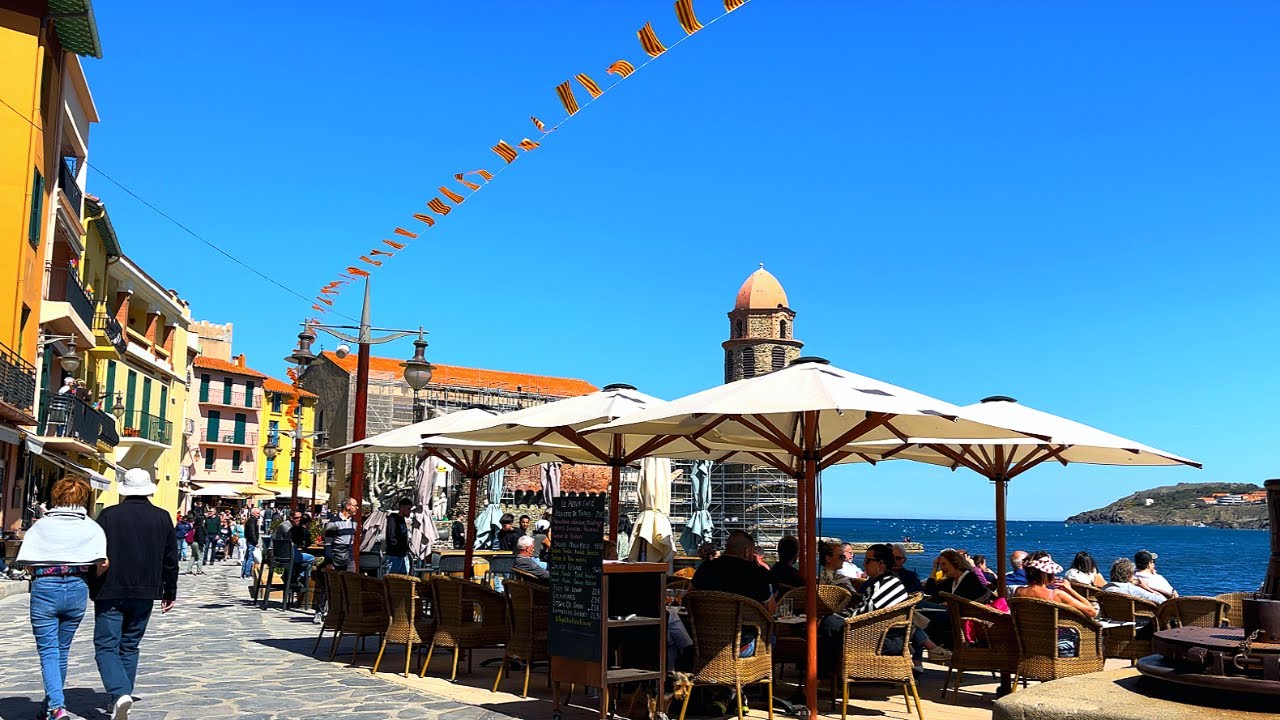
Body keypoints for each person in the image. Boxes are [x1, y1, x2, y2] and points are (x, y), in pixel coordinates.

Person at [15, 476, 108, 720]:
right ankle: (50, 705)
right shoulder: (91, 527)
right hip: (77, 585)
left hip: (46, 586)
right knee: (61, 649)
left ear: (56, 497)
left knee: (48, 650)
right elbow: (102, 562)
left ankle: (56, 707)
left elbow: (27, 562)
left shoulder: (41, 526)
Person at [92, 468, 179, 720]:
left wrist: (93, 586)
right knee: (129, 646)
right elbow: (170, 559)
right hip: (145, 591)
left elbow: (96, 553)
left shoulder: (108, 515)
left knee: (106, 646)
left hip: (111, 590)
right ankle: (121, 697)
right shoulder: (162, 517)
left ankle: (119, 693)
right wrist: (169, 591)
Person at [1014, 552, 1096, 658]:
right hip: (1057, 647)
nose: (1053, 575)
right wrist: (1070, 589)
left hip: (1030, 645)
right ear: (1044, 574)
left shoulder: (1019, 592)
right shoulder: (1057, 594)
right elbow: (1092, 612)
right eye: (1051, 573)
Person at [924, 549, 992, 603]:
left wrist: (948, 604)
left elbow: (969, 600)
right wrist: (935, 568)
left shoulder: (970, 578)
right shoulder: (952, 581)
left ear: (954, 562)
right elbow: (929, 590)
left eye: (944, 564)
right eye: (940, 565)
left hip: (960, 617)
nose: (941, 568)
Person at [323, 498, 358, 572]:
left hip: (349, 558)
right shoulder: (333, 522)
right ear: (348, 506)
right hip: (336, 559)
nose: (356, 508)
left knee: (351, 581)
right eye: (355, 506)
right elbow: (327, 543)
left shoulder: (354, 523)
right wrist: (329, 562)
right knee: (337, 582)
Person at [385, 498, 412, 575]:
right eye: (408, 508)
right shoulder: (393, 518)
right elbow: (391, 536)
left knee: (403, 578)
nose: (410, 511)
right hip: (394, 554)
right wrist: (398, 546)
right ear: (402, 507)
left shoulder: (402, 519)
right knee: (391, 578)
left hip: (402, 555)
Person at [241, 508, 261, 579]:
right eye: (258, 513)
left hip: (249, 540)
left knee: (247, 557)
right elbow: (252, 532)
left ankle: (243, 573)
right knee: (250, 557)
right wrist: (256, 541)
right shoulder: (252, 521)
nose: (259, 515)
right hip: (251, 541)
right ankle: (247, 574)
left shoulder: (251, 520)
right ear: (253, 513)